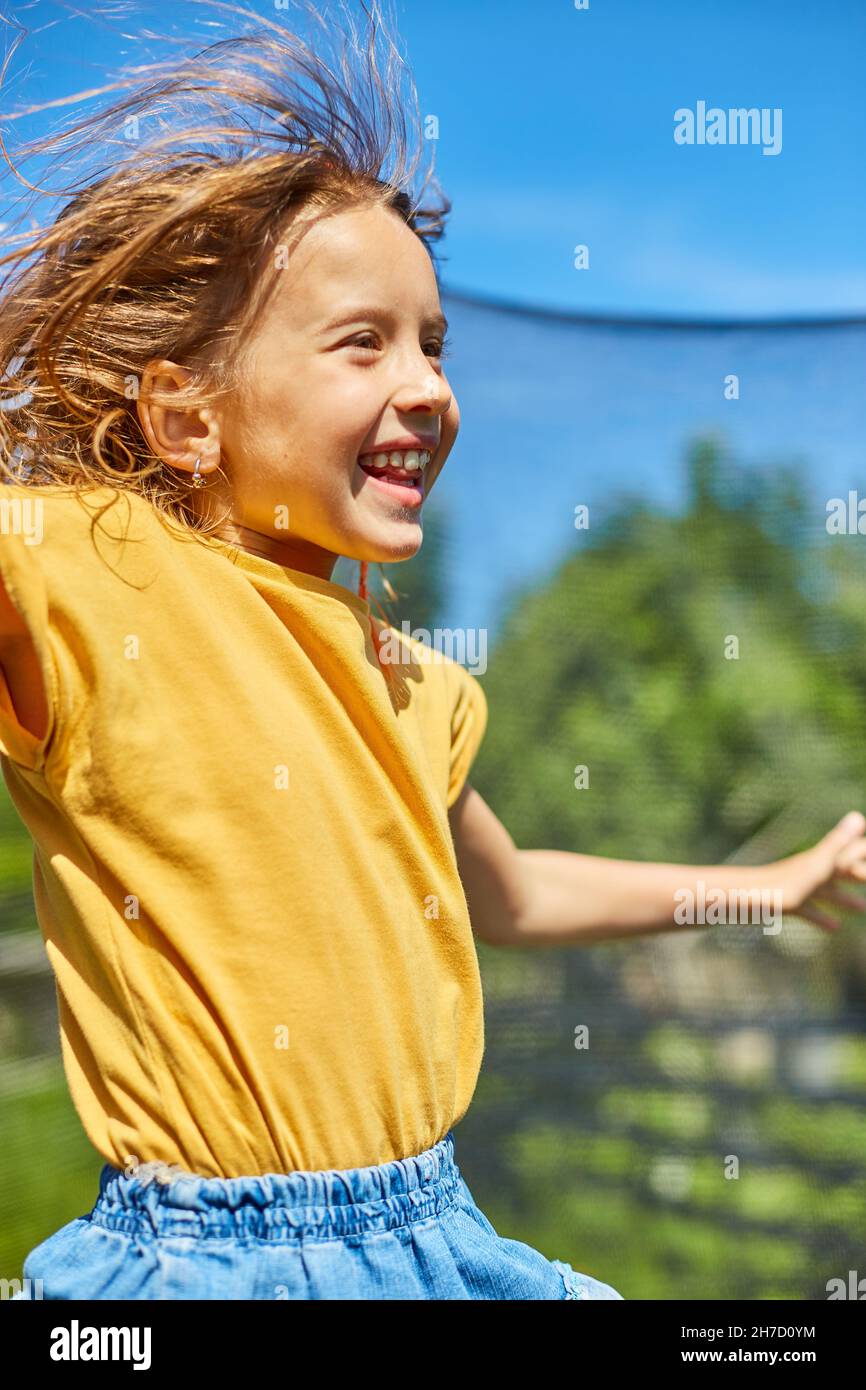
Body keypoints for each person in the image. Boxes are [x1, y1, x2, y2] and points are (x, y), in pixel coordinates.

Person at [1, 2, 864, 1301]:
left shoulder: (419, 687)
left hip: (435, 1234)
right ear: (186, 414)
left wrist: (775, 885)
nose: (430, 386)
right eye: (364, 341)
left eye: (435, 343)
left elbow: (511, 898)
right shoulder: (88, 570)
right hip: (200, 1262)